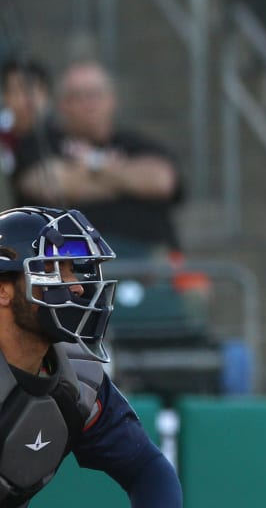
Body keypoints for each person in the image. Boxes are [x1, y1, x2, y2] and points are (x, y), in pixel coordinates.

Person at [0, 206, 182, 506]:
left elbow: (147, 469)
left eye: (72, 269)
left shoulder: (77, 376)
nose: (77, 286)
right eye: (51, 270)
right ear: (3, 291)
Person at [11, 62, 183, 257]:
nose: (89, 104)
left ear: (112, 99)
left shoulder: (137, 143)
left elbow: (162, 181)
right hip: (71, 257)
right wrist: (126, 179)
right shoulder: (41, 143)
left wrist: (93, 165)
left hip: (148, 256)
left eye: (95, 94)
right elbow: (50, 185)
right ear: (62, 105)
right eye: (78, 97)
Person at [1, 59, 50, 186]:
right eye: (19, 90)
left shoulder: (62, 137)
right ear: (6, 97)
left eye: (35, 89)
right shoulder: (4, 141)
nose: (28, 99)